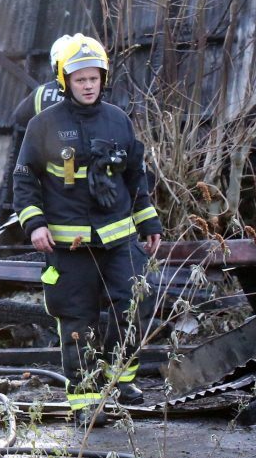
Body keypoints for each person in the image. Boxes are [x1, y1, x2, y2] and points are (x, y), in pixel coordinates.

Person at [12, 34, 162, 427]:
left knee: (134, 305)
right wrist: (34, 224)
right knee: (77, 320)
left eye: (94, 77)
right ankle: (86, 403)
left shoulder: (118, 120)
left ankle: (121, 379)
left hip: (119, 241)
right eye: (80, 78)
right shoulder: (43, 125)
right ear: (65, 81)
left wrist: (148, 221)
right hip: (68, 245)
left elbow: (136, 177)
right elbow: (24, 180)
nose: (89, 84)